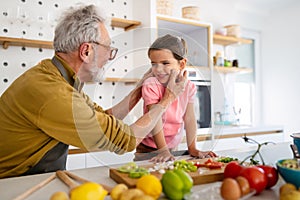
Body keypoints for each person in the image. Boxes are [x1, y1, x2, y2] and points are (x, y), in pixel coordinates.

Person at [0, 5, 187, 178]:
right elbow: (125, 139)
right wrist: (167, 99)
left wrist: (140, 88)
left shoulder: (57, 77)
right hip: (13, 185)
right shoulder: (53, 92)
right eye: (108, 49)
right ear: (86, 51)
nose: (109, 57)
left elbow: (104, 117)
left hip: (35, 178)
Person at [135, 34, 217, 162]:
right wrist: (163, 150)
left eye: (165, 63)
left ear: (182, 64)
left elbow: (189, 118)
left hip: (172, 147)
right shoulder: (151, 84)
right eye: (154, 64)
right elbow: (155, 120)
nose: (158, 69)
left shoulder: (188, 86)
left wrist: (193, 148)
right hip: (148, 149)